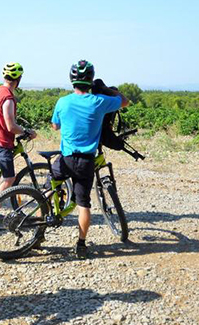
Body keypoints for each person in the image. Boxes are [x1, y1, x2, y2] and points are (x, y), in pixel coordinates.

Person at [50, 60, 129, 259]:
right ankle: (81, 244)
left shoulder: (63, 102)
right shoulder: (100, 102)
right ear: (91, 79)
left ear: (72, 80)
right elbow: (125, 101)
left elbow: (54, 126)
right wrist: (104, 89)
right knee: (83, 205)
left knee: (50, 185)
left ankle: (45, 217)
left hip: (66, 158)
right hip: (86, 161)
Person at [0, 62, 36, 226]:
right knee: (9, 179)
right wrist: (26, 132)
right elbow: (11, 126)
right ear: (18, 79)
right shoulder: (8, 98)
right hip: (1, 143)